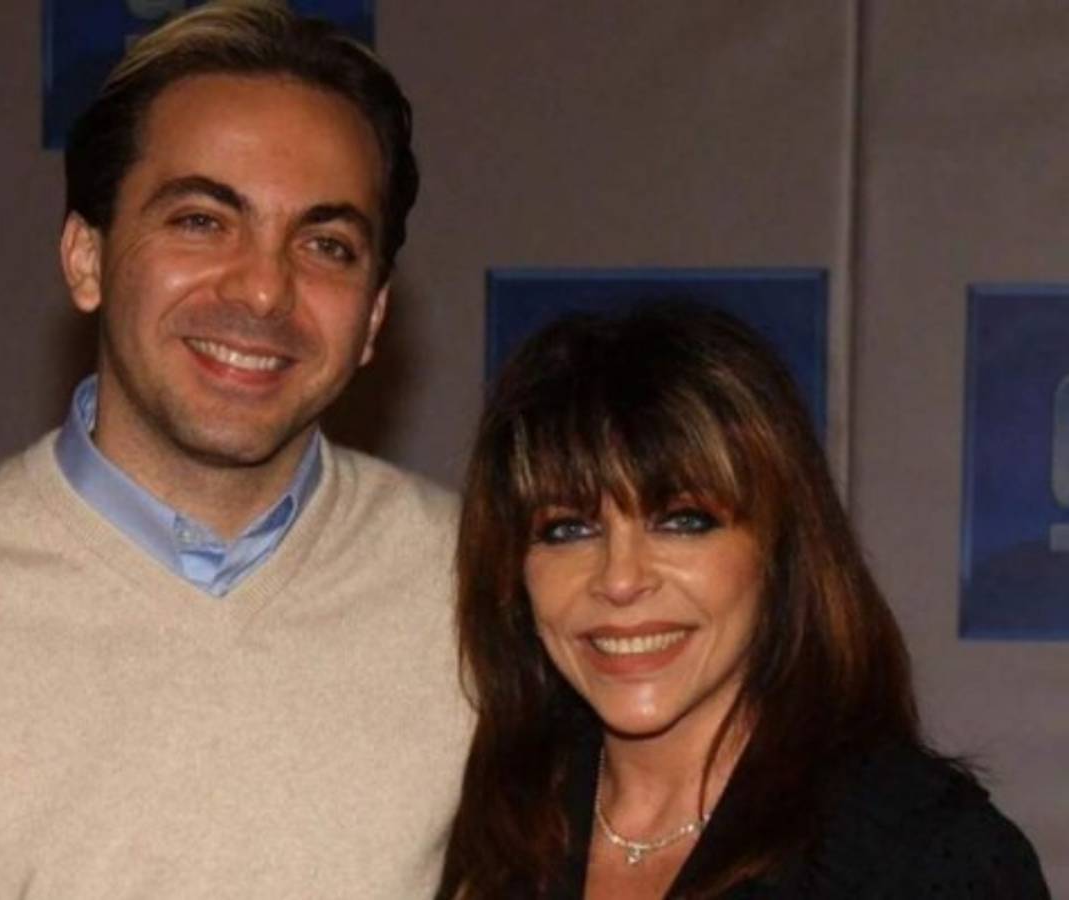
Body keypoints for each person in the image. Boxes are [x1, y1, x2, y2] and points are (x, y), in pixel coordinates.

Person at [0, 2, 469, 897]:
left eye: (326, 244)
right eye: (200, 221)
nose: (263, 290)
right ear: (86, 258)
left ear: (374, 315)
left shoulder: (484, 592)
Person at [439, 307, 1049, 898]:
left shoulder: (925, 857)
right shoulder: (486, 823)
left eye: (682, 521)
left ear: (780, 549)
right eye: (568, 529)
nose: (620, 580)